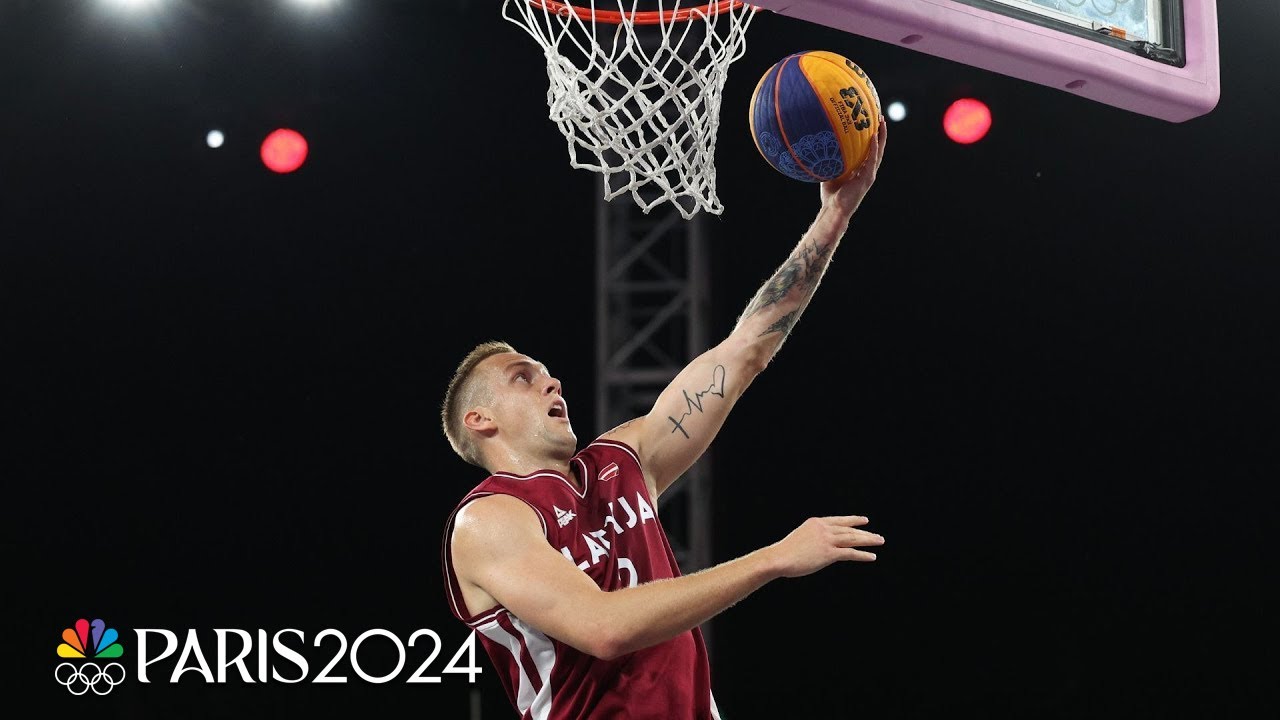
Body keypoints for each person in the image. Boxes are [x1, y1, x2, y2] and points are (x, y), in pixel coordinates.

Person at [440, 120, 889, 719]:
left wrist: (834, 217)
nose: (551, 381)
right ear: (480, 420)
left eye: (545, 371)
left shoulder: (622, 461)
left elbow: (747, 347)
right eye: (523, 376)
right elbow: (602, 628)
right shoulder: (488, 519)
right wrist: (771, 558)